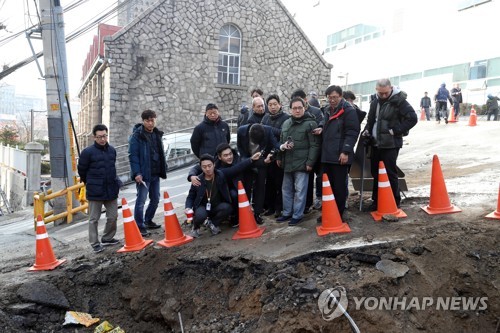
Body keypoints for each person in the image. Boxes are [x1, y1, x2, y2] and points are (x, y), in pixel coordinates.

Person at [362, 79, 417, 210]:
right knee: (376, 173)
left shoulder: (399, 101)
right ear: (376, 90)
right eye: (381, 93)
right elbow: (370, 120)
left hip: (391, 144)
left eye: (386, 93)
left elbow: (412, 118)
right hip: (375, 144)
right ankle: (377, 201)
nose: (384, 96)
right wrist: (367, 131)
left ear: (391, 88)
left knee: (390, 173)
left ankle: (394, 201)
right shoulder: (374, 101)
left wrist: (397, 131)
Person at [314, 86, 360, 221]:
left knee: (339, 188)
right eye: (330, 97)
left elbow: (352, 132)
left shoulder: (348, 111)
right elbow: (325, 122)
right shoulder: (328, 110)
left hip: (340, 156)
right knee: (327, 186)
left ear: (341, 96)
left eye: (335, 97)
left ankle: (338, 215)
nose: (332, 100)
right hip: (327, 154)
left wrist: (345, 151)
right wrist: (321, 127)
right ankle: (329, 212)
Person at [187, 143, 261, 227]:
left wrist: (251, 159)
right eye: (225, 155)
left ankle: (235, 217)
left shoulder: (238, 159)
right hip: (219, 194)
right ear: (219, 157)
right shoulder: (214, 165)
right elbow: (196, 168)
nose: (229, 157)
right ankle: (200, 224)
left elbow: (238, 167)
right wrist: (191, 176)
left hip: (236, 189)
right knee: (204, 213)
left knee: (233, 196)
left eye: (230, 154)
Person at [78, 124, 121, 253]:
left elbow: (113, 168)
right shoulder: (87, 152)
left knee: (113, 216)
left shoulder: (112, 150)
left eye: (104, 136)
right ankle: (94, 243)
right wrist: (90, 182)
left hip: (111, 189)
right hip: (95, 190)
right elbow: (82, 171)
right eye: (99, 137)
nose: (102, 139)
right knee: (93, 219)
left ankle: (107, 238)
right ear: (94, 137)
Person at [277, 97, 320, 226]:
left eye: (299, 108)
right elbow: (281, 142)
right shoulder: (286, 123)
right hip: (287, 162)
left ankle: (297, 215)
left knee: (300, 190)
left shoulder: (310, 123)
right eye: (294, 108)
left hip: (302, 164)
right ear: (290, 110)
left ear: (304, 108)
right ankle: (287, 213)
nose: (297, 110)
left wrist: (310, 163)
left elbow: (315, 145)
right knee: (286, 190)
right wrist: (279, 157)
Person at [128, 109, 167, 236]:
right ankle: (139, 226)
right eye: (147, 121)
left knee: (155, 199)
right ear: (143, 121)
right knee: (141, 201)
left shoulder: (157, 134)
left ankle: (148, 220)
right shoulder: (136, 136)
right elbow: (133, 156)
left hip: (155, 172)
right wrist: (137, 173)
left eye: (152, 120)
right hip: (143, 175)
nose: (150, 123)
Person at [237, 123, 280, 224]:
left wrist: (272, 153)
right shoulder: (241, 131)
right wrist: (249, 160)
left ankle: (257, 213)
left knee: (261, 187)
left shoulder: (268, 130)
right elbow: (240, 149)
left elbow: (276, 145)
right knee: (246, 187)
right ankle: (245, 212)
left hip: (262, 162)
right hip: (248, 161)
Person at [290, 89, 324, 213]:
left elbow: (322, 123)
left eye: (301, 101)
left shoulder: (316, 111)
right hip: (304, 152)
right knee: (307, 179)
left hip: (317, 149)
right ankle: (307, 204)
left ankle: (320, 198)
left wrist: (320, 127)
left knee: (319, 176)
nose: (298, 109)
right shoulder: (294, 114)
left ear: (305, 99)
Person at [185, 154, 233, 238]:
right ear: (201, 168)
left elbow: (235, 169)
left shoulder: (220, 175)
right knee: (200, 215)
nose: (207, 169)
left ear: (214, 164)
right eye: (204, 167)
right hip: (202, 206)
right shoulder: (197, 180)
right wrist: (188, 207)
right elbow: (191, 196)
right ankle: (195, 227)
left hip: (216, 205)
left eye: (209, 166)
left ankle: (213, 224)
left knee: (227, 207)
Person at [261, 94, 290, 217]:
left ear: (280, 104)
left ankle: (280, 208)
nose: (273, 107)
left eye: (275, 104)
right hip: (267, 155)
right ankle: (270, 207)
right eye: (270, 105)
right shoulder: (265, 118)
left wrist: (268, 129)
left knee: (280, 183)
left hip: (280, 154)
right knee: (269, 183)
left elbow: (283, 133)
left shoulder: (286, 118)